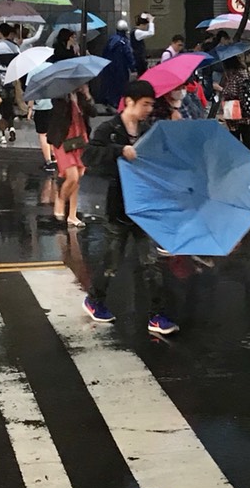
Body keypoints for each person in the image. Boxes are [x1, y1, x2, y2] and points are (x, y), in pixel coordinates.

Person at [81, 80, 178, 336]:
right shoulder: (109, 129)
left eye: (151, 105)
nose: (148, 109)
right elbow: (89, 156)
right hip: (119, 207)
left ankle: (157, 315)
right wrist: (119, 151)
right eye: (145, 104)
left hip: (144, 207)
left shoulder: (148, 130)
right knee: (112, 261)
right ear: (130, 102)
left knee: (151, 263)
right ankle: (95, 299)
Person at [47, 86, 93, 227]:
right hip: (63, 139)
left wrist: (87, 95)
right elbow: (59, 115)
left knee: (77, 177)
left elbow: (93, 112)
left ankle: (72, 215)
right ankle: (61, 199)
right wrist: (69, 100)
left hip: (79, 139)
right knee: (72, 175)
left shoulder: (81, 96)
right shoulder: (59, 97)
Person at [218, 56, 250, 154]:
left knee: (235, 141)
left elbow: (232, 93)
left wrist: (221, 89)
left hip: (237, 114)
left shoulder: (235, 76)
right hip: (248, 112)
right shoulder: (245, 74)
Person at [96, 21, 134, 110]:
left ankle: (110, 101)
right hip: (121, 67)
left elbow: (104, 53)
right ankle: (118, 103)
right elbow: (128, 55)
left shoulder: (110, 40)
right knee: (121, 86)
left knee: (110, 85)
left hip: (109, 67)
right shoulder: (123, 41)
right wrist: (133, 66)